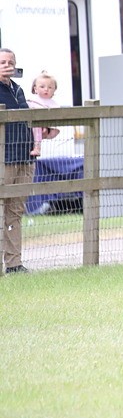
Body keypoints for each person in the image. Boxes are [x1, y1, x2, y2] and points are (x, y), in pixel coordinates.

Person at [0, 49, 36, 273]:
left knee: (15, 212)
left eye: (10, 62)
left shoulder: (19, 89)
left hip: (24, 157)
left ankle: (14, 263)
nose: (7, 65)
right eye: (2, 62)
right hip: (3, 158)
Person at [27, 72, 62, 155]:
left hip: (50, 127)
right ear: (35, 89)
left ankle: (38, 148)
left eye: (50, 87)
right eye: (42, 87)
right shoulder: (31, 100)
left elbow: (56, 116)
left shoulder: (54, 104)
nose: (46, 89)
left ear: (54, 90)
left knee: (39, 127)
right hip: (34, 125)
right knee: (37, 127)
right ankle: (36, 147)